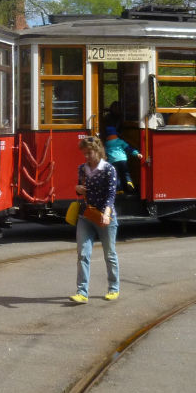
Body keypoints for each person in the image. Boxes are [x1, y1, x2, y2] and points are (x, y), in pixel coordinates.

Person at [70, 135, 120, 303]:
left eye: (89, 153)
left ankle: (113, 288)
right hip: (86, 215)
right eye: (84, 153)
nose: (87, 157)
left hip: (105, 217)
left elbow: (111, 195)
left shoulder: (109, 169)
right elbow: (80, 190)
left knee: (110, 254)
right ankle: (82, 292)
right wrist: (77, 188)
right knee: (83, 254)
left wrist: (106, 214)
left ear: (98, 151)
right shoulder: (82, 169)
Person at [102, 126, 138, 191]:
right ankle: (129, 182)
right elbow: (128, 149)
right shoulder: (120, 141)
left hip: (113, 161)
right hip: (122, 160)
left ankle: (119, 189)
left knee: (116, 175)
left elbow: (105, 153)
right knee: (126, 173)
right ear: (116, 134)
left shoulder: (106, 144)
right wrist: (137, 153)